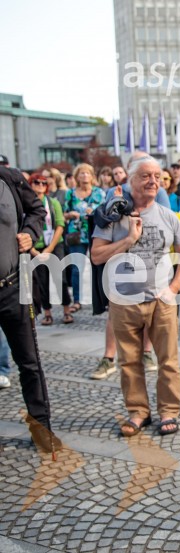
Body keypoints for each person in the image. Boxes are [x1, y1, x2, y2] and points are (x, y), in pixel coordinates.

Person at [91, 155, 180, 437]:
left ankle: (169, 411)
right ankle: (138, 412)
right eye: (146, 175)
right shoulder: (112, 216)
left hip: (161, 301)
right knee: (129, 362)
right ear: (130, 180)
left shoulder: (168, 216)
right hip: (124, 301)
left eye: (157, 176)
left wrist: (173, 288)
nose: (153, 181)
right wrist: (128, 240)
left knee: (168, 361)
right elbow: (96, 255)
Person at [0, 164, 61, 452]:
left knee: (29, 363)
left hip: (13, 288)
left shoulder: (9, 178)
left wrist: (29, 232)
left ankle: (42, 430)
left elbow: (37, 211)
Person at [27, 173, 73, 325]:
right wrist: (33, 250)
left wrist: (49, 248)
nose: (40, 185)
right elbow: (21, 228)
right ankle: (47, 313)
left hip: (54, 244)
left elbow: (60, 225)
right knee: (41, 282)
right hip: (35, 247)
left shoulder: (53, 202)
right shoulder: (25, 204)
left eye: (43, 183)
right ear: (30, 184)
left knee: (60, 278)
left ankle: (66, 310)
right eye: (36, 182)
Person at [64, 163, 105, 312]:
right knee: (76, 268)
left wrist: (94, 212)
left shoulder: (99, 193)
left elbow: (105, 212)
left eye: (87, 173)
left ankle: (102, 300)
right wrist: (70, 214)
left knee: (99, 267)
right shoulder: (70, 193)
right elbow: (64, 214)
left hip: (96, 232)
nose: (85, 175)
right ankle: (77, 300)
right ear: (77, 176)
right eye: (82, 173)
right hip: (76, 234)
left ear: (92, 176)